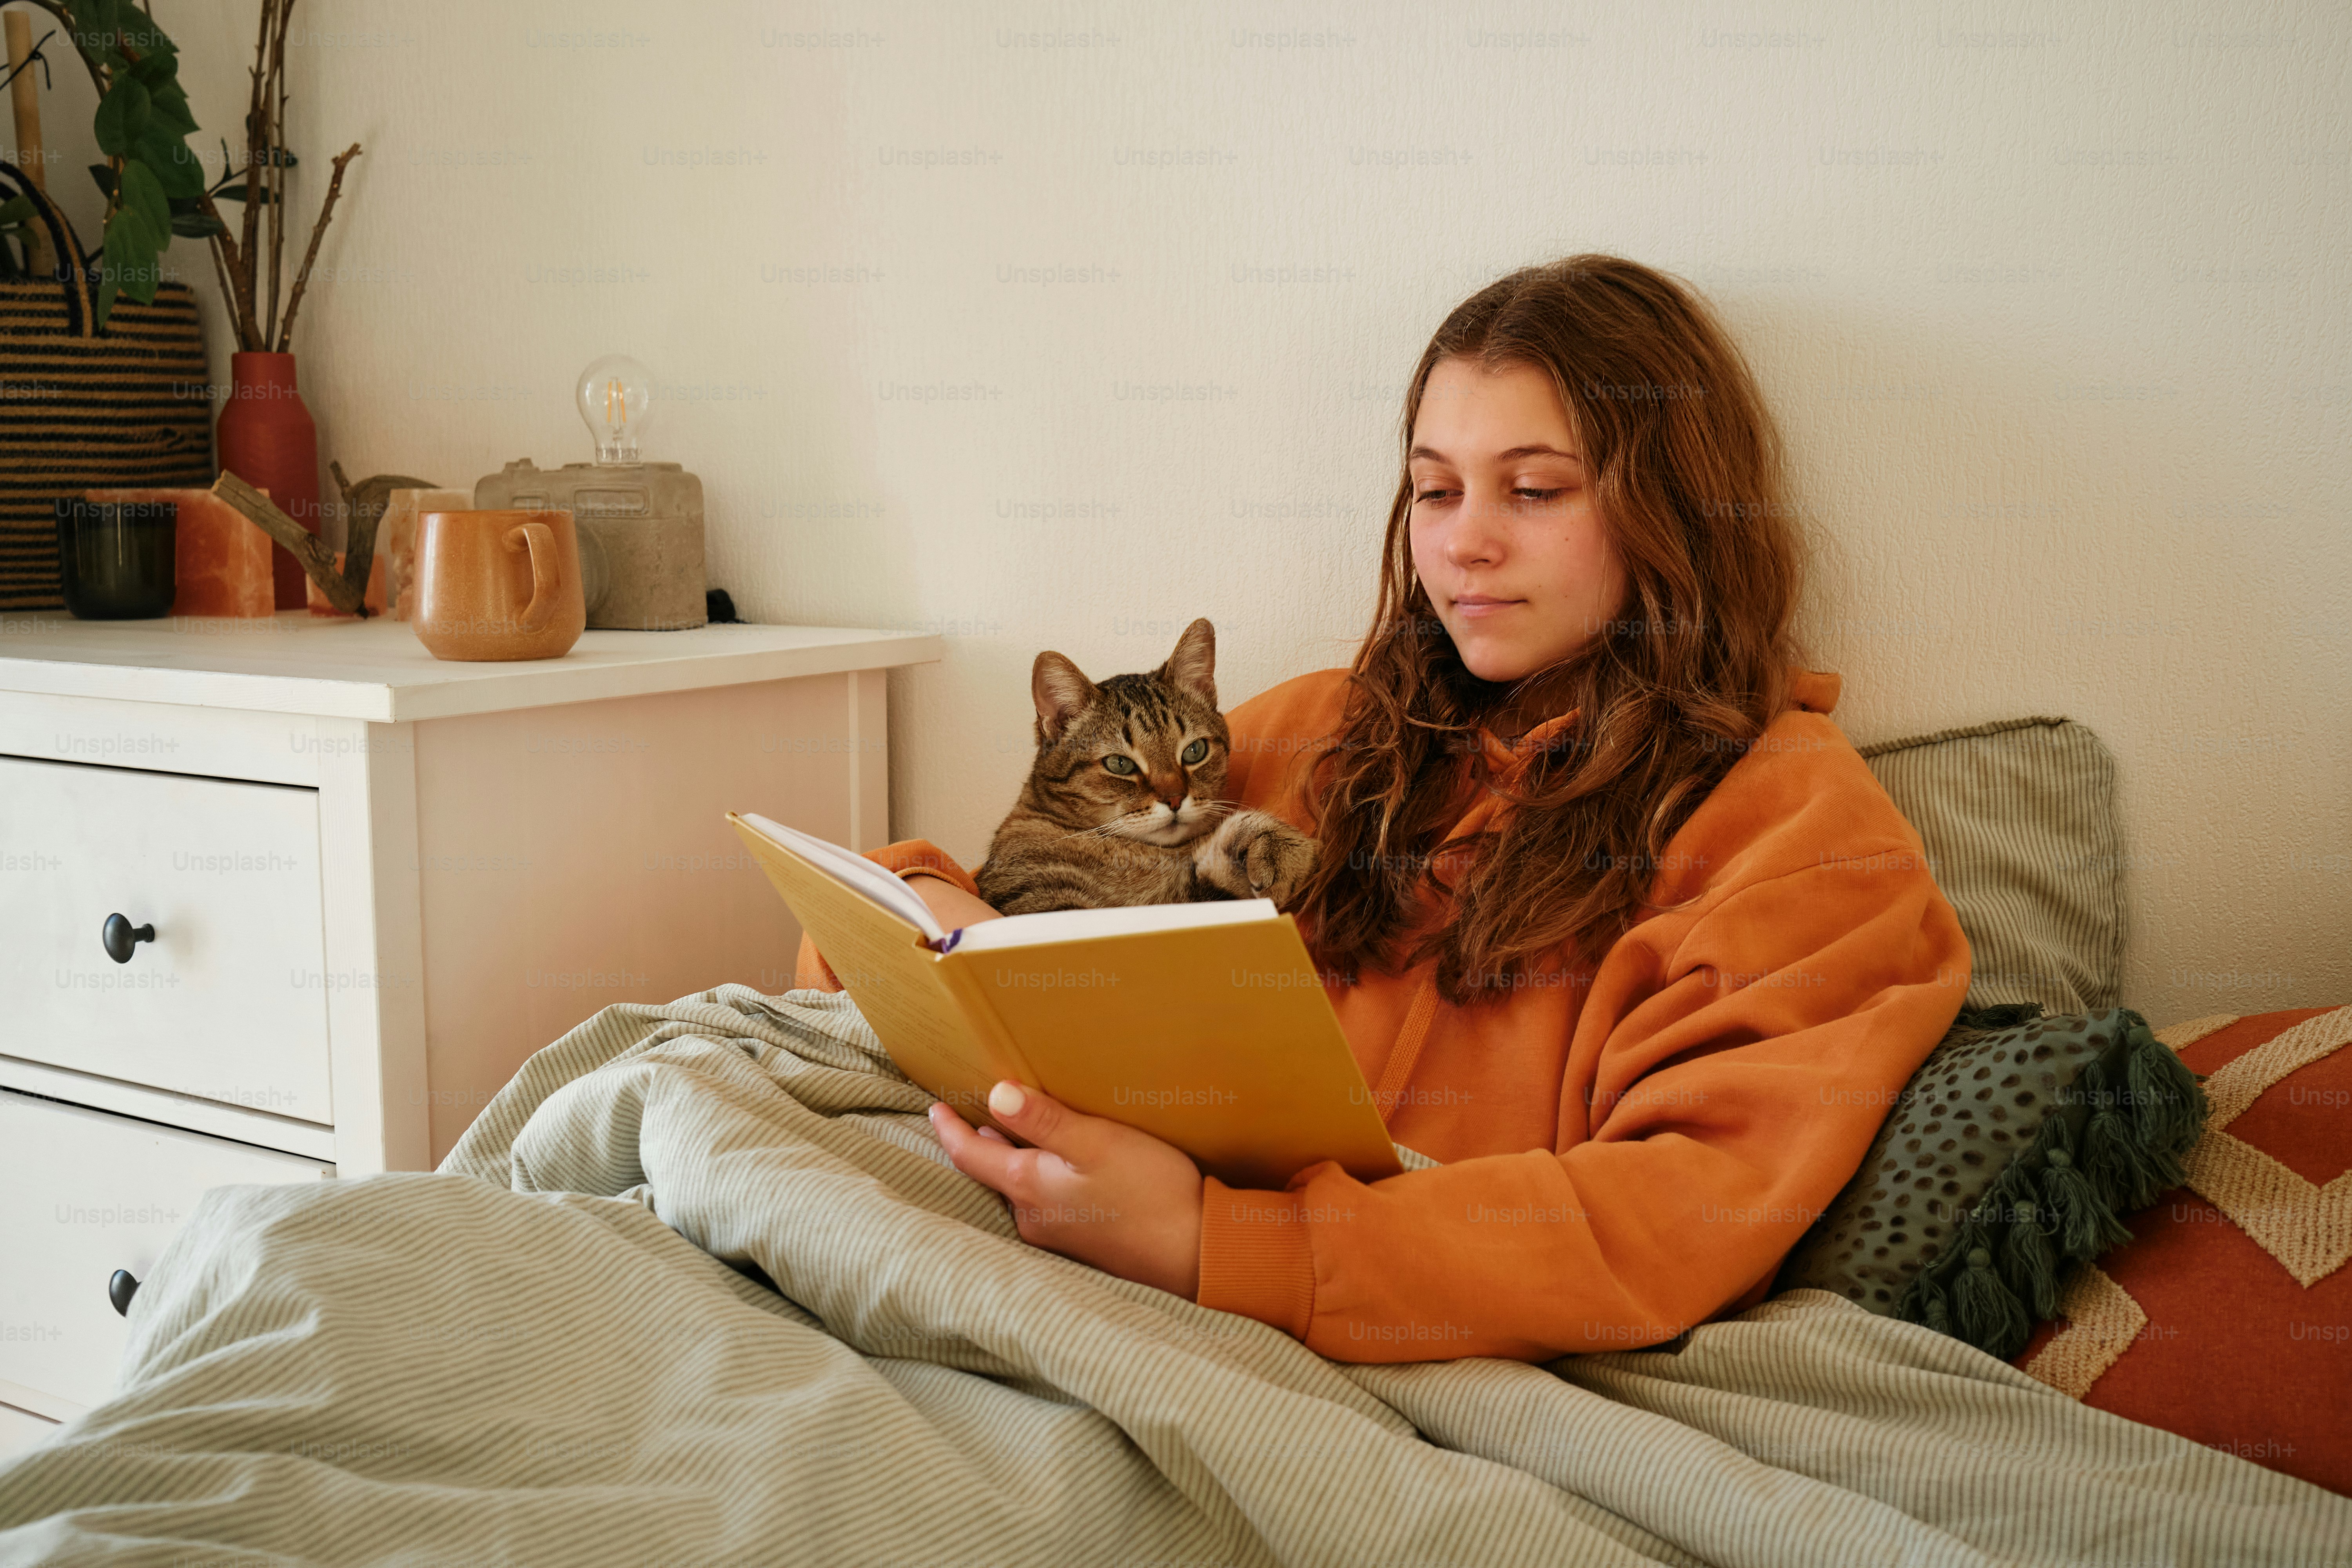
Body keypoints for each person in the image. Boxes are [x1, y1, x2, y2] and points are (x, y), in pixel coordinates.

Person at [795, 256, 1969, 1363]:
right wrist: (938, 907)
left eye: (1537, 488)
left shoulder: (1803, 832)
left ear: (1678, 510)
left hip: (1309, 1330)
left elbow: (1677, 1215)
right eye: (1434, 489)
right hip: (1050, 1249)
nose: (1466, 542)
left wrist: (1214, 1243)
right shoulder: (1319, 729)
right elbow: (1010, 891)